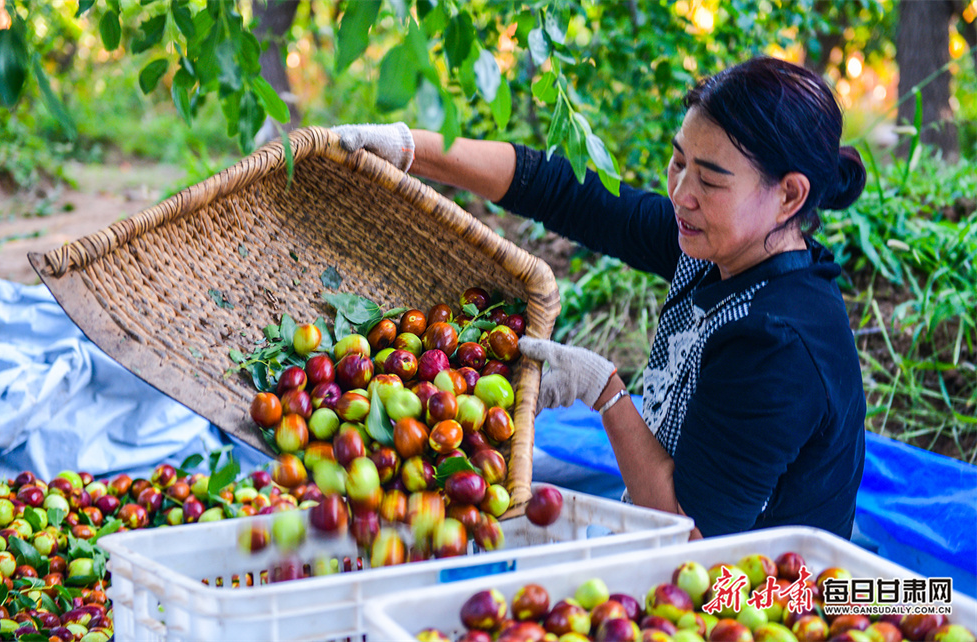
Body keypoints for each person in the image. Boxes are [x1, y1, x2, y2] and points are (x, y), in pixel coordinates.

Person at [333, 56, 868, 540]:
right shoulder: (722, 246)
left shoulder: (778, 343)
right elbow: (564, 192)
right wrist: (408, 148)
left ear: (789, 195)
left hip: (764, 591)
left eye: (710, 180)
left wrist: (605, 392)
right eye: (679, 162)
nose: (681, 193)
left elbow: (692, 535)